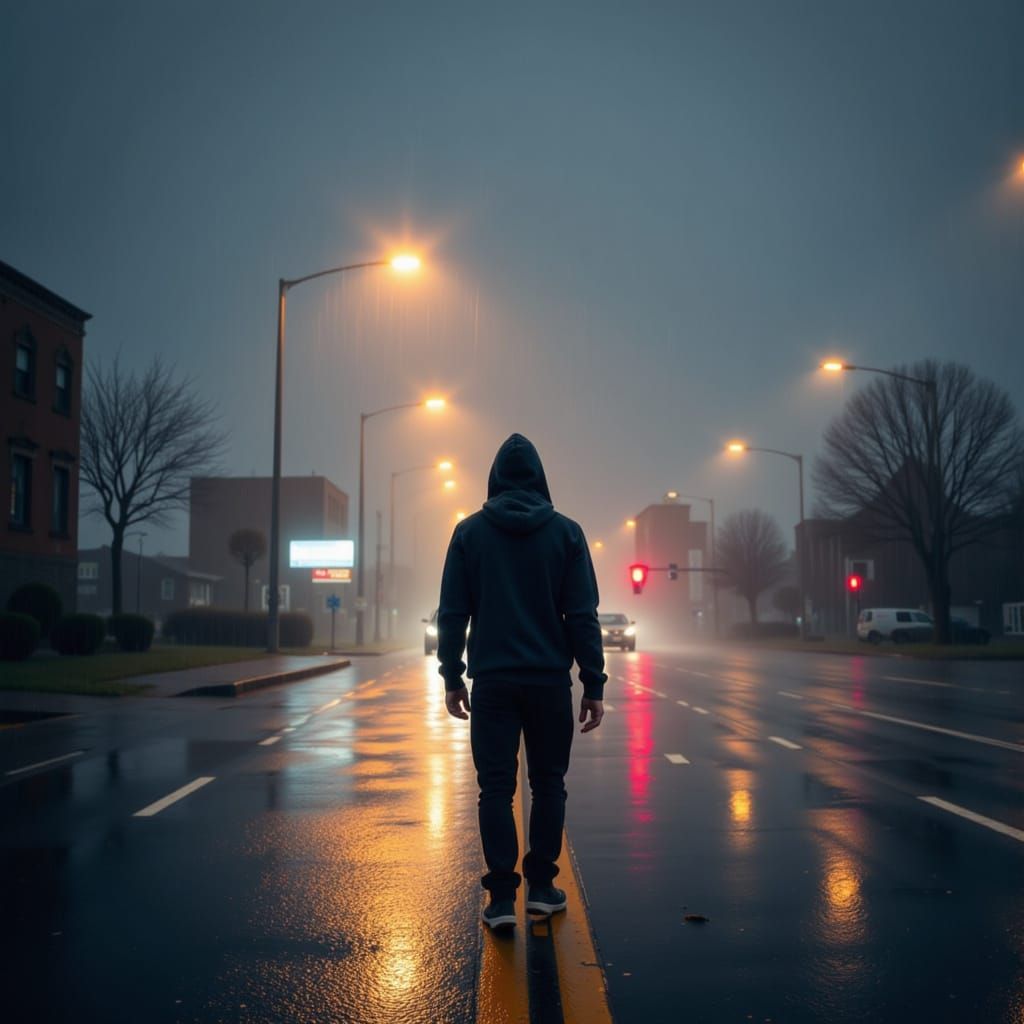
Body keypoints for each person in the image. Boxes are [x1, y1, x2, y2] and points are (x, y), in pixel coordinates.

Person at [438, 433, 607, 931]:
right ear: (540, 477)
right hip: (549, 684)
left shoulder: (468, 533)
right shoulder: (567, 534)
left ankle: (499, 900)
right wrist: (592, 683)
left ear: (493, 478)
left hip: (492, 683)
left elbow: (453, 614)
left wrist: (453, 675)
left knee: (495, 788)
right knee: (549, 782)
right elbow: (582, 615)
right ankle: (541, 887)